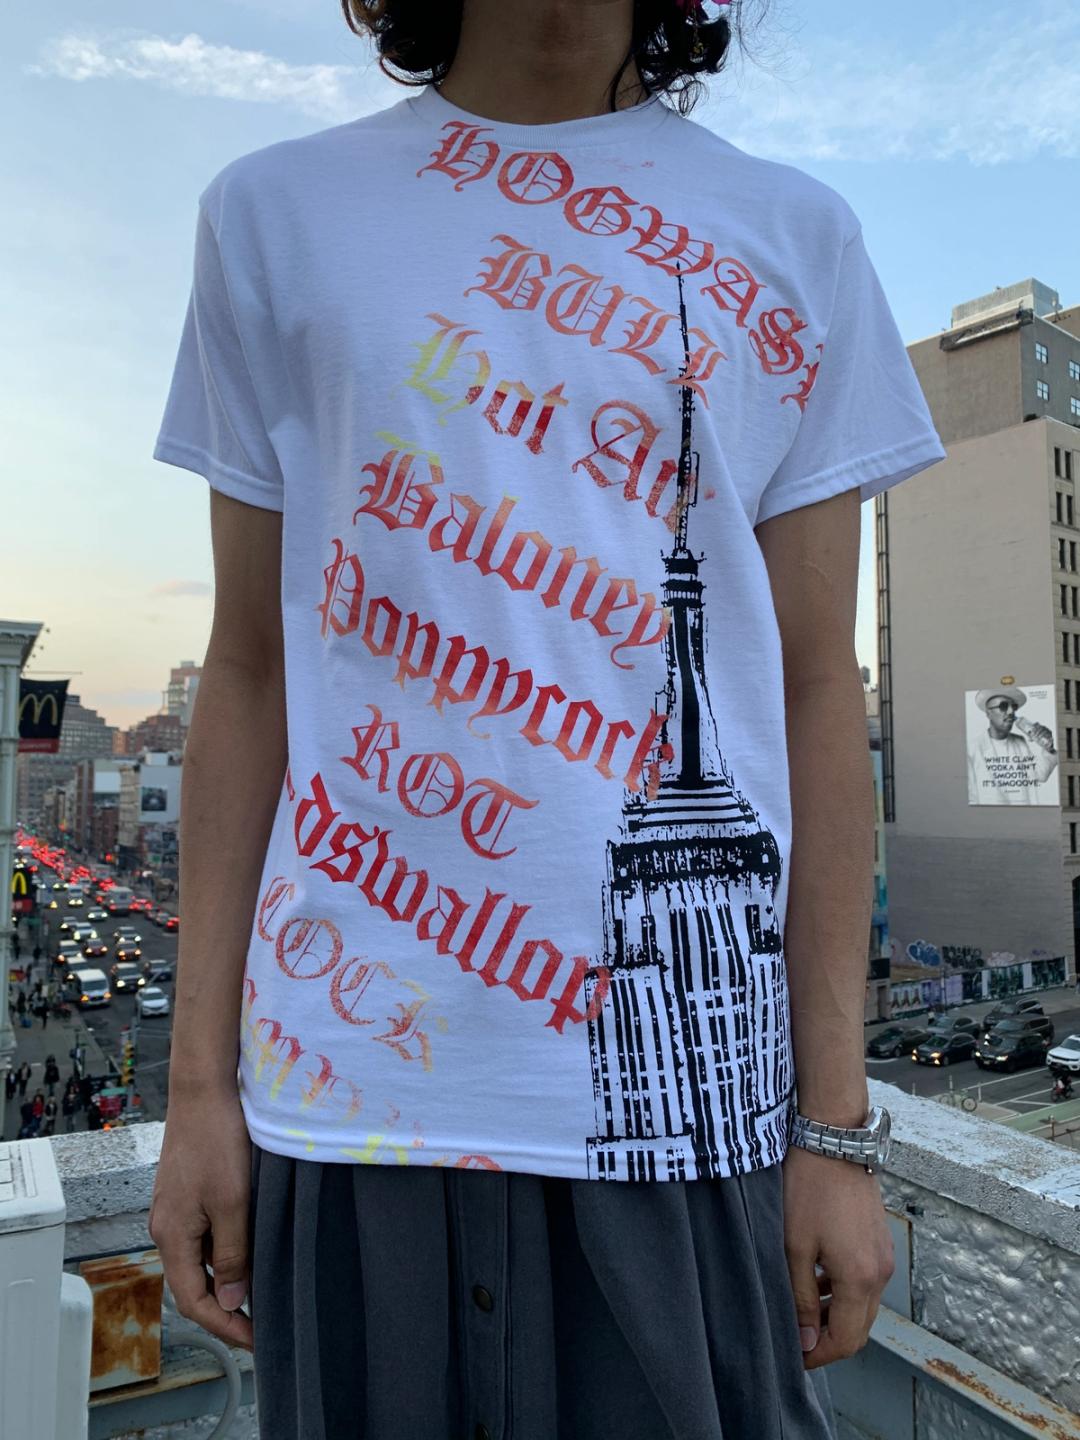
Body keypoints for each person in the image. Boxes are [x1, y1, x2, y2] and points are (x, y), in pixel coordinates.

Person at [147, 2, 946, 1436]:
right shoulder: (273, 213)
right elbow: (250, 667)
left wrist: (836, 1131)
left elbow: (820, 691)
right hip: (350, 1098)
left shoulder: (796, 236)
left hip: (699, 1136)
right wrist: (197, 1089)